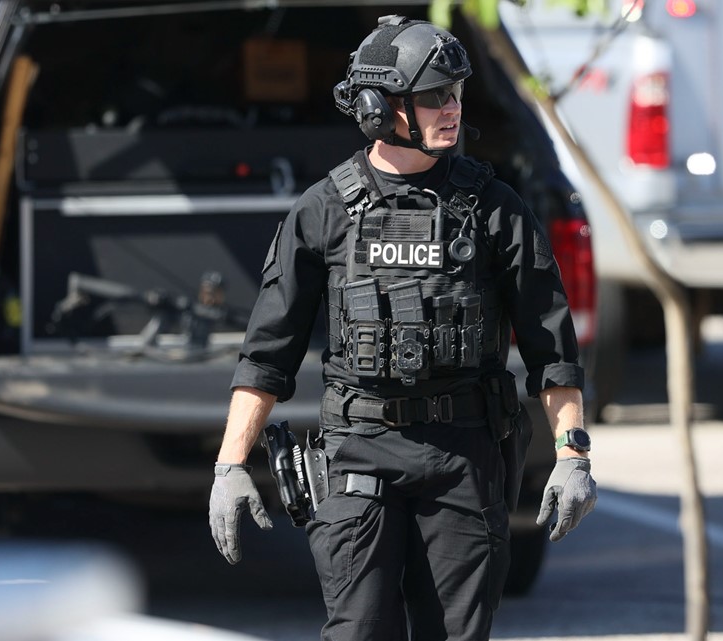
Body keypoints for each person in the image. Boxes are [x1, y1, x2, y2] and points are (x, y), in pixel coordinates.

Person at [208, 15, 597, 641]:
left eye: (457, 93)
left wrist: (572, 455)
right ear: (377, 107)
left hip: (464, 456)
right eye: (434, 95)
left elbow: (553, 349)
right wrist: (230, 468)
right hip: (359, 448)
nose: (452, 108)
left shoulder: (495, 210)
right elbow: (266, 356)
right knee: (359, 630)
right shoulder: (323, 211)